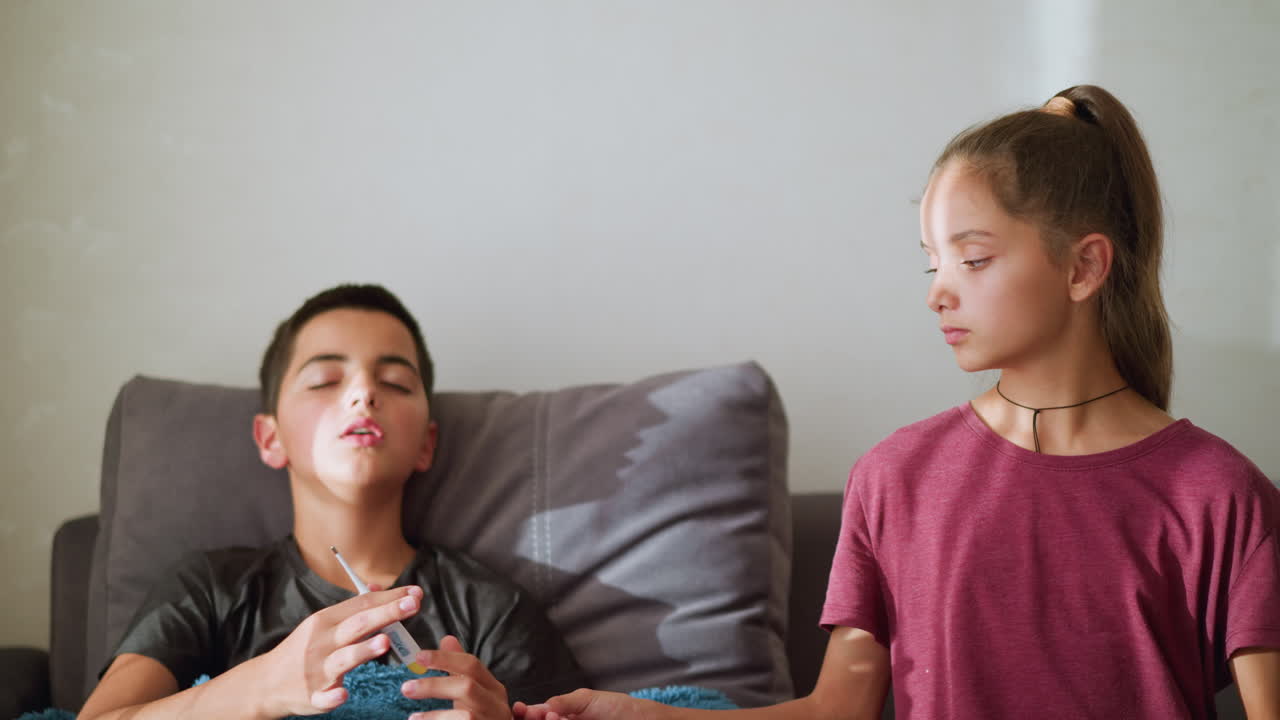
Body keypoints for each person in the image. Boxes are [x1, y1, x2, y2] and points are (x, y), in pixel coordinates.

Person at [515, 86, 1280, 719]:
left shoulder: (1220, 496)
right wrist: (647, 716)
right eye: (931, 264)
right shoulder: (894, 477)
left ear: (1084, 267)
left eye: (973, 259)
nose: (939, 292)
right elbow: (834, 711)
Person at [80, 284, 587, 720]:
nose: (364, 392)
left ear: (427, 444)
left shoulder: (491, 610)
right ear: (270, 438)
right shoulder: (211, 591)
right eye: (325, 380)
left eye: (395, 382)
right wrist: (260, 687)